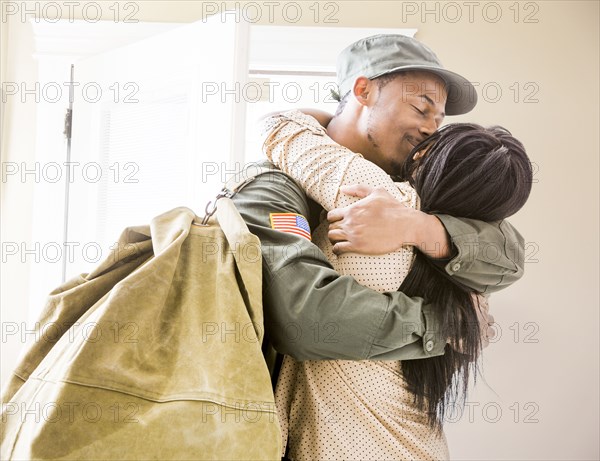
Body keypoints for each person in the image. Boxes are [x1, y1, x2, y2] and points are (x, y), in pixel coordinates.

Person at [254, 34, 531, 460]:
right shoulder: (278, 185)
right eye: (421, 107)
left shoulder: (413, 197)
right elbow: (306, 318)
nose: (429, 127)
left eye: (439, 120)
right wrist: (445, 324)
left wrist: (420, 228)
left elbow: (509, 253)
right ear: (363, 90)